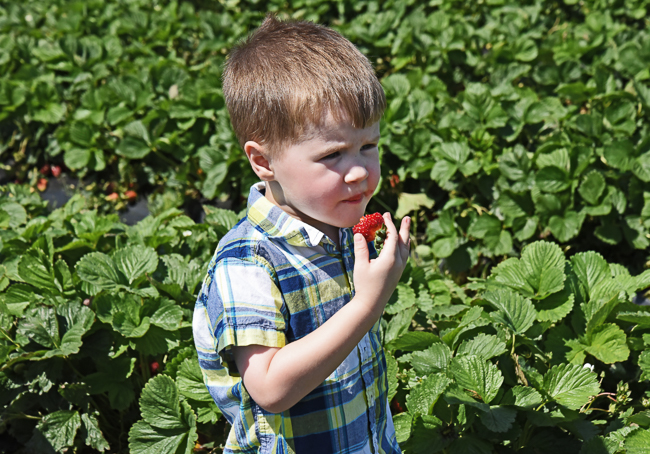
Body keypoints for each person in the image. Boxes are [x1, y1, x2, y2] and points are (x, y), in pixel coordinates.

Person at [193, 14, 411, 454]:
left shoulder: (338, 227)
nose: (359, 171)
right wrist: (369, 303)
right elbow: (271, 388)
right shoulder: (248, 263)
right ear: (264, 161)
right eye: (332, 155)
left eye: (368, 146)